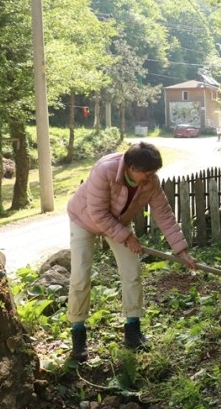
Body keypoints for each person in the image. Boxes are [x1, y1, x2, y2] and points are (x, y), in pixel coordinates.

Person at [66, 142, 197, 362]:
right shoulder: (104, 170)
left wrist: (181, 250)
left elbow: (163, 214)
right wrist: (127, 236)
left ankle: (133, 331)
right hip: (84, 219)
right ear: (131, 167)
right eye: (147, 172)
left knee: (132, 271)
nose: (151, 176)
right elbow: (97, 213)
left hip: (117, 222)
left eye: (153, 172)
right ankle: (78, 336)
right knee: (80, 274)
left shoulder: (150, 182)